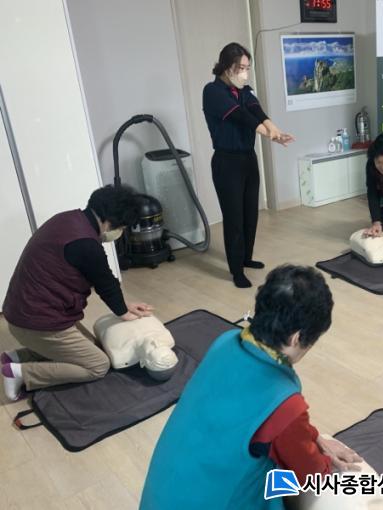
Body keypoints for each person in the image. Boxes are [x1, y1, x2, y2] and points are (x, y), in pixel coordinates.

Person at [140, 265, 361, 509]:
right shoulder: (283, 402)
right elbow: (311, 474)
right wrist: (322, 459)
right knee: (280, 479)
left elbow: (257, 420)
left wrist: (314, 437)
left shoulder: (225, 341)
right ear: (296, 338)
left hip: (161, 495)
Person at [1, 185, 153, 401]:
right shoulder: (86, 244)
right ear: (110, 222)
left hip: (21, 312)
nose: (120, 233)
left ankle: (16, 357)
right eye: (122, 227)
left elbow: (103, 281)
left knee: (94, 347)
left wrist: (123, 305)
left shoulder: (67, 219)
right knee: (98, 365)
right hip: (37, 322)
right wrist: (123, 312)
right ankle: (20, 374)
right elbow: (106, 283)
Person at [203, 42, 294, 289]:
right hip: (227, 161)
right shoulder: (212, 92)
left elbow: (256, 111)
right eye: (241, 68)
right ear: (226, 67)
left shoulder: (244, 90)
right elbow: (241, 117)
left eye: (247, 67)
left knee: (250, 213)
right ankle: (236, 271)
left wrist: (275, 131)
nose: (245, 73)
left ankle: (246, 258)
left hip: (248, 158)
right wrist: (269, 135)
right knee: (234, 217)